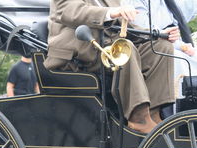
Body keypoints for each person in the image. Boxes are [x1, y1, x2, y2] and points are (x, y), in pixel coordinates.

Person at [44, 0, 179, 133]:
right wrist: (111, 12)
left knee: (161, 46)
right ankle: (138, 117)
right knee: (124, 49)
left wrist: (157, 34)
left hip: (103, 50)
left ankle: (153, 114)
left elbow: (125, 26)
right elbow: (70, 11)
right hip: (77, 56)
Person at [128, 0, 197, 79]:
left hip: (176, 45)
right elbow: (141, 29)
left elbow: (190, 6)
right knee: (181, 62)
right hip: (150, 48)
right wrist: (180, 46)